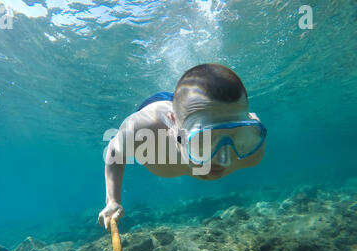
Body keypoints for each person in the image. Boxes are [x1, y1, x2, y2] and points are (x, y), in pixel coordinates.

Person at [98, 63, 267, 229]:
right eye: (203, 139)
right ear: (173, 126)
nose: (222, 159)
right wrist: (112, 200)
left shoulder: (253, 141)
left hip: (193, 108)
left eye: (236, 134)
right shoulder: (144, 130)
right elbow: (114, 150)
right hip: (160, 105)